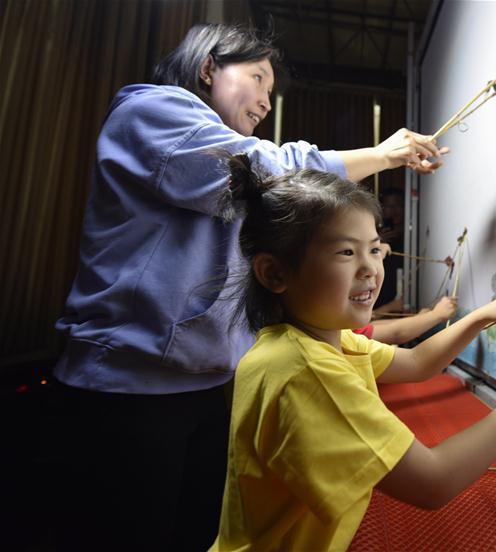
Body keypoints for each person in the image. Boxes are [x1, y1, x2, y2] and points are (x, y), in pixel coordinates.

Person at [46, 23, 448, 551]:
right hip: (129, 385)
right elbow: (256, 170)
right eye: (257, 78)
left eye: (269, 91)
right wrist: (381, 154)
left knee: (200, 533)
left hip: (211, 382)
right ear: (209, 67)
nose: (263, 101)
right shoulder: (151, 111)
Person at [209, 157, 496, 551]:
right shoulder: (306, 372)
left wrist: (485, 314)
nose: (370, 269)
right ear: (274, 274)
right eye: (346, 253)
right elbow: (434, 482)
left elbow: (417, 363)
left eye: (375, 249)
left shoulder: (318, 341)